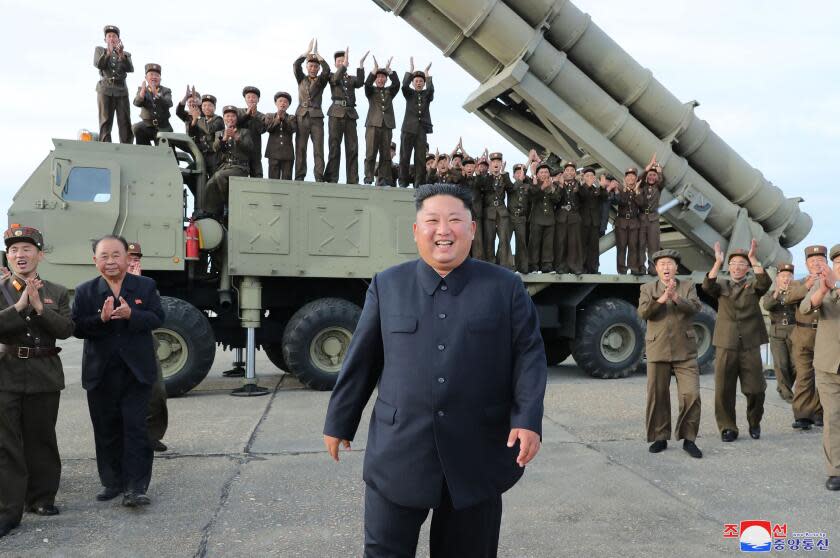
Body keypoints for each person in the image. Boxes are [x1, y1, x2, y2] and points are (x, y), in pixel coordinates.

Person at [323, 183, 547, 557]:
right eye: (432, 221)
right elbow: (362, 360)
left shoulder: (505, 287)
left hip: (477, 452)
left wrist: (527, 418)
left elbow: (529, 356)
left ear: (472, 229)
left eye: (455, 220)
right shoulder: (388, 284)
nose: (444, 230)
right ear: (416, 231)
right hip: (399, 452)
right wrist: (339, 421)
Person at [72, 235, 164, 507]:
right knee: (106, 429)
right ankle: (112, 482)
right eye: (104, 256)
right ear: (95, 261)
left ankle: (136, 487)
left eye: (116, 255)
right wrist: (100, 319)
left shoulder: (145, 286)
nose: (110, 261)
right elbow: (77, 328)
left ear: (126, 258)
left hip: (136, 372)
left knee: (136, 429)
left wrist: (131, 316)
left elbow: (158, 317)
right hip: (100, 373)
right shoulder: (85, 291)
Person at [0, 226, 73, 539]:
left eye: (27, 249)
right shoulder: (1, 289)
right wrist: (19, 307)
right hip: (7, 374)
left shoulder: (56, 291)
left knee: (41, 439)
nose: (20, 255)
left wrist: (41, 308)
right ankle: (8, 511)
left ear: (40, 254)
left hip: (44, 373)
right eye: (14, 250)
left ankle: (42, 499)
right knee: (6, 446)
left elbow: (67, 328)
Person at [702, 240, 770, 442]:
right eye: (734, 264)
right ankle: (727, 427)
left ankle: (754, 421)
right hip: (726, 343)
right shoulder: (721, 285)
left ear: (747, 268)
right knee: (724, 389)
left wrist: (753, 258)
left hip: (749, 343)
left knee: (756, 388)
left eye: (742, 264)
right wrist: (717, 262)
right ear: (729, 267)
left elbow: (765, 283)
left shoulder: (754, 285)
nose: (738, 267)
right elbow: (707, 285)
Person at [638, 249, 703, 458]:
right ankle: (660, 437)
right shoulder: (648, 288)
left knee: (691, 394)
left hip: (685, 349)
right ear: (656, 268)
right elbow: (643, 313)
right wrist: (662, 298)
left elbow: (695, 308)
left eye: (670, 264)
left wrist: (675, 297)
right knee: (657, 395)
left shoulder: (688, 286)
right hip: (657, 348)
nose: (666, 267)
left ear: (676, 268)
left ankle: (689, 438)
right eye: (662, 264)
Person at [800, 244, 840, 491]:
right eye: (838, 263)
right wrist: (825, 287)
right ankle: (836, 469)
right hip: (828, 365)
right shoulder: (823, 286)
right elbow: (806, 308)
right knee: (833, 417)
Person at [126, 242, 169, 453]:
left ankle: (152, 436)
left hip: (146, 346)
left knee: (156, 393)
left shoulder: (148, 286)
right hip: (121, 349)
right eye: (130, 257)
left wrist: (138, 283)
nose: (134, 262)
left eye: (137, 258)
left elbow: (155, 317)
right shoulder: (108, 284)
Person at [788, 245, 827, 430]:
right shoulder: (799, 283)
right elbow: (787, 298)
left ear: (826, 262)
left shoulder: (834, 282)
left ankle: (821, 413)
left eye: (820, 260)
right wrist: (808, 285)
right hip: (803, 336)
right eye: (812, 261)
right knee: (804, 376)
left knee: (824, 376)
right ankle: (803, 416)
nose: (816, 264)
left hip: (826, 337)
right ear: (806, 264)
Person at [200, 106, 253, 217]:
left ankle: (227, 205)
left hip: (240, 167)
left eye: (233, 116)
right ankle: (209, 212)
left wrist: (237, 138)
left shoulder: (244, 132)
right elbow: (215, 148)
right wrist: (224, 138)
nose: (230, 118)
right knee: (209, 183)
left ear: (236, 118)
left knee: (219, 176)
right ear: (224, 118)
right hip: (225, 166)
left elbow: (249, 149)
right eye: (227, 116)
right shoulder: (219, 133)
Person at [326, 48, 366, 184]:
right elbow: (335, 80)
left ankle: (353, 179)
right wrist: (343, 67)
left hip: (350, 114)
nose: (342, 62)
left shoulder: (350, 78)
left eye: (344, 60)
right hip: (336, 113)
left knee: (353, 148)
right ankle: (332, 178)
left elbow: (360, 82)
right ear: (336, 64)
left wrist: (360, 66)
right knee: (334, 146)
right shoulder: (332, 75)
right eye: (339, 61)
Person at [293, 39, 331, 181]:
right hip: (301, 116)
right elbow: (296, 65)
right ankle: (299, 176)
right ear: (307, 66)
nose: (313, 68)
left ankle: (319, 176)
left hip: (316, 117)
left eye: (316, 66)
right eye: (311, 65)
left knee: (318, 149)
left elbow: (327, 71)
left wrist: (319, 57)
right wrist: (306, 53)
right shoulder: (301, 79)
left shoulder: (321, 81)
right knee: (301, 148)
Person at [760, 263, 797, 403]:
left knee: (795, 365)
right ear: (777, 279)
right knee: (781, 363)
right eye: (783, 276)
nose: (786, 279)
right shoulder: (771, 294)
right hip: (777, 332)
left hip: (794, 331)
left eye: (789, 276)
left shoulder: (796, 293)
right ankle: (787, 394)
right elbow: (767, 305)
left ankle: (783, 387)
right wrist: (777, 293)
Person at [94, 25, 134, 144]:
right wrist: (108, 53)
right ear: (105, 39)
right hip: (105, 88)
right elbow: (98, 64)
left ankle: (127, 146)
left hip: (121, 89)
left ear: (118, 39)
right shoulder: (100, 50)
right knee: (105, 120)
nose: (112, 38)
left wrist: (121, 55)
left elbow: (130, 68)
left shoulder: (125, 54)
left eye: (114, 36)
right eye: (109, 36)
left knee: (124, 121)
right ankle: (106, 145)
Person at [399, 58, 434, 187]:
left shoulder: (426, 95)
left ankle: (418, 184)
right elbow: (404, 86)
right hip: (408, 128)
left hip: (421, 129)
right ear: (413, 83)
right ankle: (403, 182)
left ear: (424, 83)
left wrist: (427, 75)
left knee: (420, 158)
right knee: (404, 157)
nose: (419, 83)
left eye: (421, 81)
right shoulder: (409, 93)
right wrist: (410, 71)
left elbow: (431, 91)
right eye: (416, 81)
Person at [363, 61, 399, 186]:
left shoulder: (390, 91)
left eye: (383, 77)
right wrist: (373, 72)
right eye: (378, 77)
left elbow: (397, 84)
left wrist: (391, 72)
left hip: (387, 125)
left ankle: (384, 179)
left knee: (385, 154)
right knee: (370, 153)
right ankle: (368, 178)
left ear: (386, 79)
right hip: (373, 124)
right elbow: (367, 84)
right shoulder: (371, 90)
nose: (380, 79)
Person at [176, 89, 223, 177]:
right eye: (189, 102)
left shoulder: (216, 119)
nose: (192, 103)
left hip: (212, 154)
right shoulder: (192, 116)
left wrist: (197, 116)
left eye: (209, 106)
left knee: (212, 178)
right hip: (197, 149)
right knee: (187, 175)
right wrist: (194, 120)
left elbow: (208, 129)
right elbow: (179, 113)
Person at [483, 152, 513, 268]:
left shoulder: (505, 177)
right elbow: (484, 187)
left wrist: (504, 174)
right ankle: (490, 264)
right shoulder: (487, 178)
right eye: (493, 162)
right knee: (489, 239)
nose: (496, 163)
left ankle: (504, 264)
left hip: (502, 212)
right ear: (490, 164)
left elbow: (511, 189)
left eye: (498, 162)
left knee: (504, 239)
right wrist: (489, 174)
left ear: (501, 164)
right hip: (489, 212)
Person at [553, 161, 583, 275]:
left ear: (575, 173)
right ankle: (560, 266)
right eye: (567, 170)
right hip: (561, 216)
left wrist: (581, 184)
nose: (569, 172)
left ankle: (574, 266)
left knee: (574, 243)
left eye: (572, 170)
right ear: (563, 172)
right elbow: (555, 199)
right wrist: (560, 186)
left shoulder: (578, 185)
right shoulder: (557, 184)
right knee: (560, 242)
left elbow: (584, 198)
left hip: (574, 216)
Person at [132, 63, 173, 146]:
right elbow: (136, 103)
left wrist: (156, 94)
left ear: (160, 78)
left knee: (167, 152)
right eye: (151, 75)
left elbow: (168, 103)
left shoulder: (166, 91)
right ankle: (146, 153)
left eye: (157, 75)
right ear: (146, 78)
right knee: (137, 128)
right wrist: (142, 93)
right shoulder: (142, 90)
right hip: (148, 126)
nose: (154, 77)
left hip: (163, 127)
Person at [611, 168, 641, 275]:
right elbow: (618, 201)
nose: (630, 178)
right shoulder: (621, 189)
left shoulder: (640, 191)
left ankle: (633, 268)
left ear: (636, 178)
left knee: (633, 246)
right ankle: (621, 270)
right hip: (622, 221)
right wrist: (622, 190)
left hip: (634, 222)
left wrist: (637, 191)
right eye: (628, 176)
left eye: (633, 176)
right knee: (621, 247)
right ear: (625, 178)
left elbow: (642, 204)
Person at [637, 155, 663, 275]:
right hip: (642, 218)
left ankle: (653, 268)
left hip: (653, 219)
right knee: (641, 244)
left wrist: (659, 171)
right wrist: (648, 167)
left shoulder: (658, 187)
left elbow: (662, 180)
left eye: (654, 175)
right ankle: (640, 267)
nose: (652, 177)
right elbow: (640, 179)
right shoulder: (642, 187)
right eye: (650, 175)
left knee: (654, 245)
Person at [528, 162, 556, 273]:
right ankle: (533, 266)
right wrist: (542, 188)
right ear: (537, 174)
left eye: (546, 172)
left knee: (548, 244)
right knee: (534, 243)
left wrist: (550, 189)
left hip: (549, 219)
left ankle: (547, 266)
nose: (544, 174)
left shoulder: (553, 185)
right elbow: (532, 198)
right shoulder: (533, 184)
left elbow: (557, 199)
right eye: (541, 172)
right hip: (536, 219)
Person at [264, 92, 297, 180]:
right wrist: (278, 119)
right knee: (273, 180)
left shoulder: (292, 117)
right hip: (273, 153)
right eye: (280, 101)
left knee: (287, 180)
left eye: (286, 102)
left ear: (288, 105)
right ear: (276, 103)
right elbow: (268, 128)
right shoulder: (269, 116)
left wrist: (284, 120)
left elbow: (293, 129)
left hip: (287, 154)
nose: (283, 103)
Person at [579, 167, 606, 274]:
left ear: (595, 178)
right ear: (584, 178)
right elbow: (581, 196)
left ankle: (594, 268)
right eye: (587, 176)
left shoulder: (597, 190)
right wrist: (586, 185)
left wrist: (603, 187)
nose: (590, 178)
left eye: (591, 176)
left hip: (594, 223)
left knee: (594, 247)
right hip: (583, 222)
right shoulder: (581, 188)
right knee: (583, 246)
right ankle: (582, 268)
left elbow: (604, 197)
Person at [237, 86, 266, 178]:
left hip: (255, 153)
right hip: (240, 152)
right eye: (248, 97)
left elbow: (262, 130)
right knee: (240, 178)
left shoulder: (262, 116)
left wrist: (254, 117)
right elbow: (235, 124)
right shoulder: (239, 112)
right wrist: (247, 115)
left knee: (257, 177)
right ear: (245, 99)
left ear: (258, 100)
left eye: (254, 97)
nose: (251, 99)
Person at [508, 162, 531, 274]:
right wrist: (520, 180)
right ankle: (505, 265)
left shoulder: (528, 186)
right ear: (513, 176)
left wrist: (530, 161)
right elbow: (512, 189)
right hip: (510, 217)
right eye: (517, 173)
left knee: (521, 243)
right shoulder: (511, 185)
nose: (520, 174)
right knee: (505, 241)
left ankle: (522, 267)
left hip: (521, 218)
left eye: (522, 173)